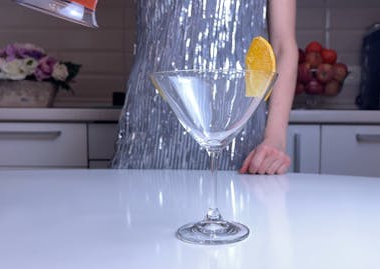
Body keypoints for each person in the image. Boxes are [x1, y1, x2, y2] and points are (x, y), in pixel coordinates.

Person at [112, 0, 298, 175]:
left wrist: (275, 138)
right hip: (149, 122)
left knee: (228, 206)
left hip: (235, 128)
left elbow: (283, 47)